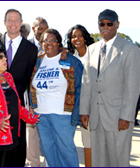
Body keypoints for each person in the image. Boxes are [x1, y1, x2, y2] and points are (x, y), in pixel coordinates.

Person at [79, 9, 140, 167]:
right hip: (96, 116)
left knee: (118, 160)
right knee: (98, 160)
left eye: (109, 23)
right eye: (102, 24)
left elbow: (132, 86)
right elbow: (87, 82)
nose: (105, 27)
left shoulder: (130, 49)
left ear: (117, 24)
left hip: (118, 117)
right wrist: (84, 111)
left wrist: (126, 116)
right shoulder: (92, 49)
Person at [0, 9, 38, 166]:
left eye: (16, 20)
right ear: (4, 22)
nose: (13, 23)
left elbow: (29, 78)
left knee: (16, 146)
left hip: (17, 105)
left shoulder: (31, 49)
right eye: (10, 20)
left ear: (21, 23)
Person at [30, 28, 83, 167]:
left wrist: (77, 113)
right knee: (48, 152)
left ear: (59, 43)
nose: (49, 43)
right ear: (41, 43)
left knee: (66, 152)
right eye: (46, 40)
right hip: (41, 115)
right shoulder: (37, 62)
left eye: (53, 40)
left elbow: (79, 88)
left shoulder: (70, 60)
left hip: (63, 115)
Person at [65, 24, 94, 167]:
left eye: (80, 35)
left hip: (94, 104)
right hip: (78, 106)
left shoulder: (94, 55)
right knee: (86, 140)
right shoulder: (72, 58)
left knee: (96, 142)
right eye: (73, 36)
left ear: (85, 37)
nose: (77, 39)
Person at [25, 16, 49, 167]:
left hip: (48, 101)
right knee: (31, 137)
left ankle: (49, 164)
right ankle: (33, 164)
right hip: (30, 99)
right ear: (33, 29)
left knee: (47, 137)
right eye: (39, 28)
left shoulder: (54, 47)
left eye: (45, 28)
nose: (42, 31)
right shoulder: (25, 47)